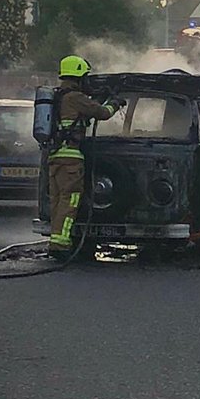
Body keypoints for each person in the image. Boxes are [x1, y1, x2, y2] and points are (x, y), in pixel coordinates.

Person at [48, 55, 123, 261]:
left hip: (54, 157)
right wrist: (115, 103)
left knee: (56, 200)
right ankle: (61, 244)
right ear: (79, 77)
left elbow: (84, 111)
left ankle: (56, 240)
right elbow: (102, 113)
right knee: (69, 199)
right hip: (71, 158)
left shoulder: (58, 97)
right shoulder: (74, 98)